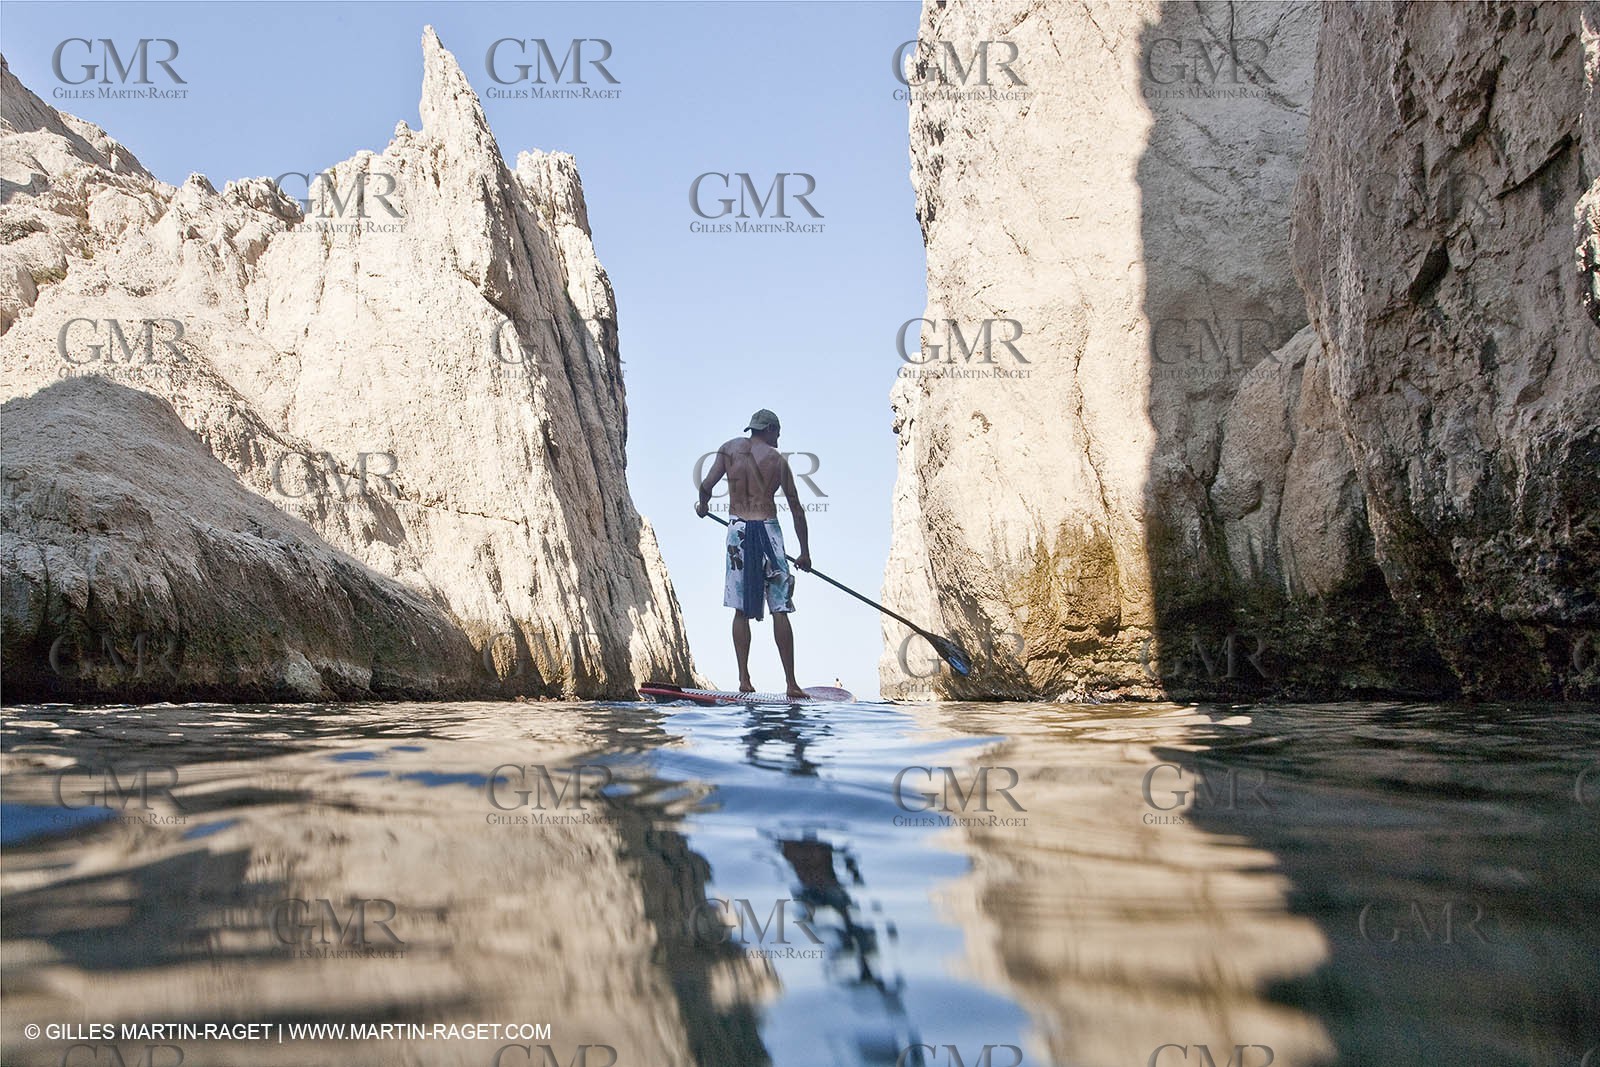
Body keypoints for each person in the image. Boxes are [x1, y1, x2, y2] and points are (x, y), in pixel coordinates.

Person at [696, 408, 812, 698]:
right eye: (778, 433)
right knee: (780, 607)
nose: (779, 439)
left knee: (740, 609)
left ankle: (744, 680)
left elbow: (706, 486)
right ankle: (791, 684)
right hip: (769, 531)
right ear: (770, 429)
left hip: (739, 532)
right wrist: (804, 553)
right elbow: (796, 508)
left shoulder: (729, 449)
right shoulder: (777, 461)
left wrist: (704, 507)